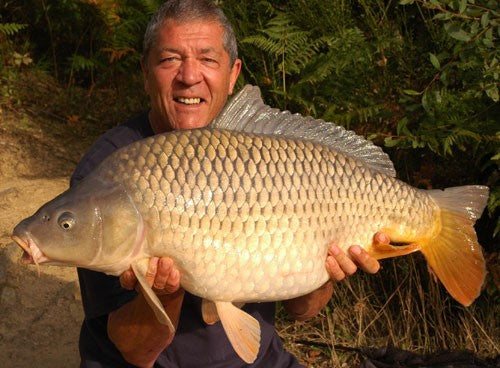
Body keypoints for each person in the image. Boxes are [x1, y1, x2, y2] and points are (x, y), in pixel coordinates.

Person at [71, 1, 382, 367]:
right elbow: (135, 350)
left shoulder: (275, 155)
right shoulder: (110, 171)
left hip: (257, 358)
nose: (189, 76)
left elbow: (303, 309)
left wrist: (326, 272)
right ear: (145, 72)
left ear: (233, 74)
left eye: (207, 59)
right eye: (170, 59)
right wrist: (165, 294)